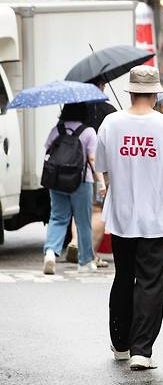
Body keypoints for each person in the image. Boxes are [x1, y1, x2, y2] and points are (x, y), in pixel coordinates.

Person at [97, 65, 163, 370]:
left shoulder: (111, 123)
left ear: (130, 91)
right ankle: (142, 350)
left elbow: (103, 166)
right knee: (150, 283)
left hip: (122, 217)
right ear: (155, 93)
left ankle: (121, 344)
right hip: (155, 218)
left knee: (124, 277)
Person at [43, 103, 104, 274]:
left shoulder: (57, 129)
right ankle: (85, 261)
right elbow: (93, 159)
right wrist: (101, 183)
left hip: (57, 180)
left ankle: (50, 253)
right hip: (81, 181)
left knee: (57, 217)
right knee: (83, 221)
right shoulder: (88, 132)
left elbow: (48, 150)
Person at [64, 77, 115, 268]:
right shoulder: (109, 112)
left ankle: (75, 242)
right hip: (100, 168)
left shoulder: (76, 109)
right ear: (101, 86)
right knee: (98, 211)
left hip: (75, 167)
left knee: (79, 210)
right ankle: (91, 254)